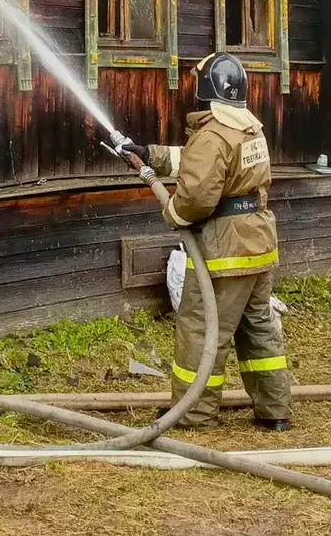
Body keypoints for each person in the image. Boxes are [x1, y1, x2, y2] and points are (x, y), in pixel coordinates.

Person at [121, 53, 291, 430]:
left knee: (201, 329)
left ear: (206, 89)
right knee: (258, 327)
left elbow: (197, 196)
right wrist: (147, 155)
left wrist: (174, 215)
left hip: (224, 250)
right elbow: (196, 161)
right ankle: (275, 410)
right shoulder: (247, 127)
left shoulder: (213, 134)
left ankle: (194, 413)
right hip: (258, 243)